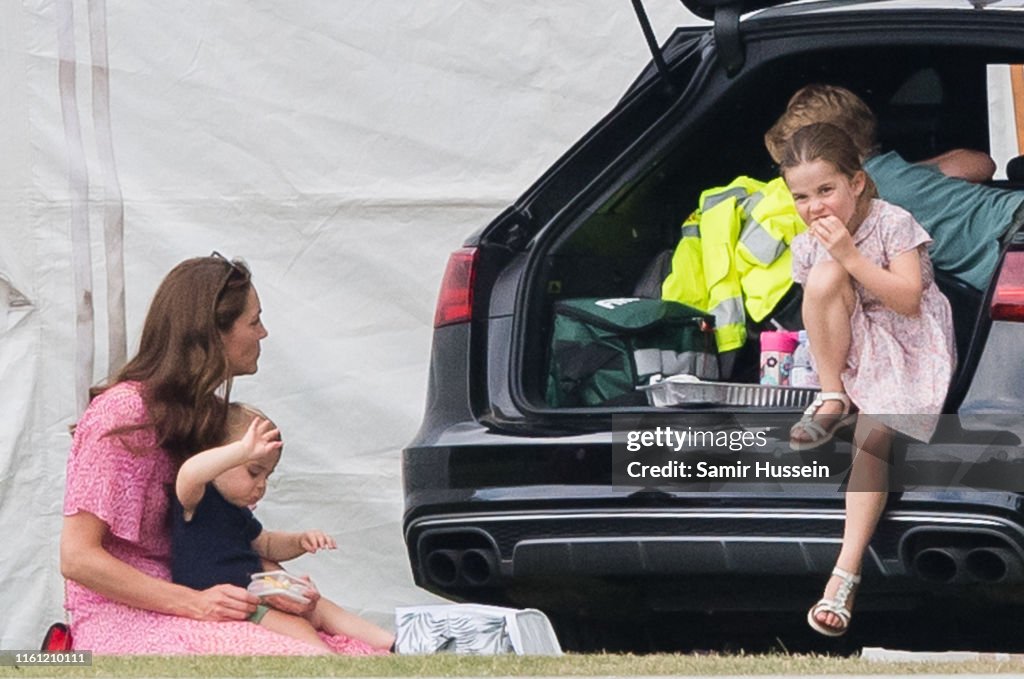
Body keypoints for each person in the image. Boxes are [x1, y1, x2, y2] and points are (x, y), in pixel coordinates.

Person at [60, 253, 384, 655]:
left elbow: (228, 538)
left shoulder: (207, 415)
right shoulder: (122, 413)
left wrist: (278, 588)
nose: (263, 333)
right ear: (211, 334)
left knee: (348, 648)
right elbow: (77, 559)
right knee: (300, 656)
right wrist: (194, 603)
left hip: (203, 596)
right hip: (125, 614)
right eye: (253, 321)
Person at [779, 123, 956, 636]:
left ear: (856, 183)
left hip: (908, 344)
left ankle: (845, 573)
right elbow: (819, 310)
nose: (816, 206)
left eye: (826, 190)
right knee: (824, 274)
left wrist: (850, 255)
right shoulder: (807, 241)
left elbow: (907, 298)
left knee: (873, 436)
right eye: (802, 196)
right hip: (851, 346)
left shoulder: (892, 222)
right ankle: (830, 395)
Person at [172, 402, 395, 652]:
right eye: (253, 471)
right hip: (231, 603)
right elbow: (189, 473)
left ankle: (393, 642)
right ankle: (329, 661)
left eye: (267, 476)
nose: (261, 486)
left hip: (259, 589)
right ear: (217, 458)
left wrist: (299, 541)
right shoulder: (197, 499)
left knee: (323, 608)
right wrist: (240, 451)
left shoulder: (239, 512)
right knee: (297, 627)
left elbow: (266, 544)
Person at [765, 83, 1024, 291]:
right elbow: (982, 164)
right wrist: (919, 171)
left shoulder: (858, 199)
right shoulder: (893, 171)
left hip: (1012, 238)